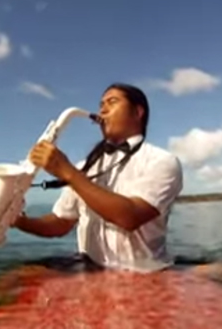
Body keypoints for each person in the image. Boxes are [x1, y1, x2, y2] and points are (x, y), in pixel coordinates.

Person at [12, 83, 184, 273]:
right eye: (101, 104)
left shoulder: (163, 162)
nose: (102, 109)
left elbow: (130, 217)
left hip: (145, 273)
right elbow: (60, 223)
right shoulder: (83, 168)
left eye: (112, 101)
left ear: (137, 112)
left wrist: (68, 172)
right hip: (89, 270)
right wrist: (19, 221)